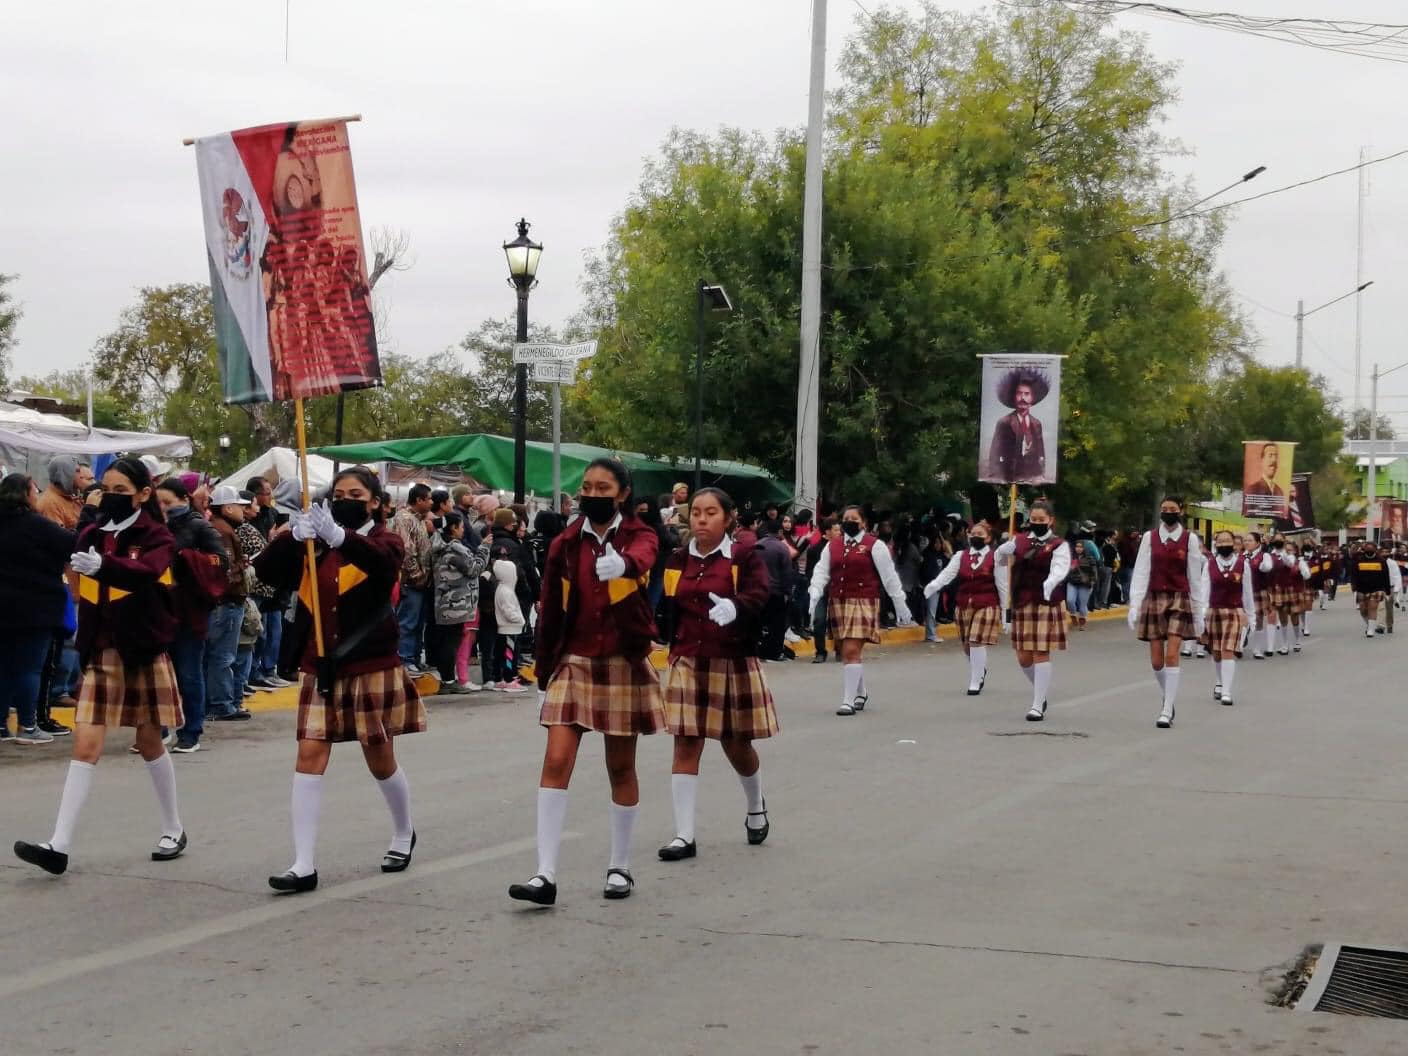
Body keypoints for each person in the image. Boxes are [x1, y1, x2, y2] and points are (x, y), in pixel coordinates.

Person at [253, 467, 426, 893]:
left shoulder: (385, 540)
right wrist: (292, 538)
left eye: (356, 493)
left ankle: (404, 832)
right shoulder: (314, 540)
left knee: (380, 758)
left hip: (369, 663)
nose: (346, 498)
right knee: (309, 756)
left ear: (374, 502)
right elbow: (266, 572)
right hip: (322, 664)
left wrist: (340, 538)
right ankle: (303, 863)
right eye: (340, 492)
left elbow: (383, 567)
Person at [14, 457, 187, 875]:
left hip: (143, 650)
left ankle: (173, 827)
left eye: (121, 492)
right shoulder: (90, 533)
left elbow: (149, 572)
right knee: (85, 744)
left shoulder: (156, 535)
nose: (110, 497)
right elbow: (77, 588)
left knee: (149, 742)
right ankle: (59, 843)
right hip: (101, 651)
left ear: (144, 495)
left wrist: (106, 567)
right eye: (105, 489)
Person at [509, 458, 665, 906]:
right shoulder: (565, 543)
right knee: (556, 760)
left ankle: (620, 865)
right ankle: (544, 874)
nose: (592, 494)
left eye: (603, 487)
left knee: (620, 767)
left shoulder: (640, 535)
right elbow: (552, 610)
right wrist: (543, 671)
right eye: (586, 487)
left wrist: (624, 567)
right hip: (574, 660)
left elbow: (645, 557)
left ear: (621, 494)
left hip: (622, 661)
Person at [657, 487, 778, 860]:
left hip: (732, 660)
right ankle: (684, 835)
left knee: (735, 743)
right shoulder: (677, 559)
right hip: (688, 660)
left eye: (710, 513)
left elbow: (762, 594)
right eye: (695, 512)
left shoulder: (744, 555)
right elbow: (664, 605)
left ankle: (756, 805)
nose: (701, 519)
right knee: (685, 741)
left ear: (727, 518)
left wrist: (736, 607)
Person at [807, 505, 913, 716]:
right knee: (848, 651)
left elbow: (889, 577)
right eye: (845, 518)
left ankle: (847, 701)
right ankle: (861, 692)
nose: (849, 522)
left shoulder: (875, 545)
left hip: (864, 602)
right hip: (839, 603)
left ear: (863, 523)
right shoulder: (833, 546)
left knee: (851, 651)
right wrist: (815, 591)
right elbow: (821, 571)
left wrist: (900, 603)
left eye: (854, 519)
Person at [0, 473, 75, 745]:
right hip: (36, 607)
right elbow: (72, 546)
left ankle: (1, 727)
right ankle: (28, 726)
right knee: (30, 668)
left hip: (4, 608)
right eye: (34, 490)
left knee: (4, 667)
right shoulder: (38, 526)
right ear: (25, 494)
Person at [156, 478, 228, 753]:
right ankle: (159, 729)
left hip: (190, 611)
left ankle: (191, 731)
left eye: (168, 502)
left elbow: (221, 560)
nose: (162, 508)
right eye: (158, 502)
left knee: (188, 673)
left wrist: (189, 558)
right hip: (158, 610)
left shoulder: (198, 526)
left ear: (184, 500)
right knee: (159, 675)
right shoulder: (152, 527)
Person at [1126, 498, 1207, 729]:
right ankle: (1167, 697)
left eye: (1173, 509)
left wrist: (1199, 612)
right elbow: (1141, 571)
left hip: (1179, 599)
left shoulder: (1189, 538)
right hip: (1154, 598)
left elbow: (1194, 576)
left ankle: (1166, 708)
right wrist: (1135, 604)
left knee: (1172, 655)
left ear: (1181, 511)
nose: (1168, 513)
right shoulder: (1149, 538)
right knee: (1156, 661)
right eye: (1164, 510)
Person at [994, 500, 1069, 722]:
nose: (1036, 523)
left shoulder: (1058, 544)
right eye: (1033, 519)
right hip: (1022, 601)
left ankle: (1037, 704)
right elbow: (1000, 563)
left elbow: (1060, 567)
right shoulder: (1019, 540)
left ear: (1050, 521)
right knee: (1023, 657)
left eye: (1041, 520)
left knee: (1040, 652)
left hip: (1046, 602)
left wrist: (1050, 582)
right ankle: (1041, 690)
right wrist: (1001, 551)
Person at [923, 519, 1006, 695]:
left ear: (989, 538)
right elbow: (947, 574)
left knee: (976, 641)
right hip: (963, 604)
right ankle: (980, 669)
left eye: (980, 534)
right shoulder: (960, 555)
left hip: (986, 603)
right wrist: (933, 586)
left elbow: (1003, 585)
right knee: (967, 644)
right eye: (973, 534)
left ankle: (975, 680)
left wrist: (1007, 614)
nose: (976, 537)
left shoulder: (996, 557)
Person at [203, 484, 252, 722]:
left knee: (220, 654)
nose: (244, 511)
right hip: (227, 602)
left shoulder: (220, 529)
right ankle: (221, 703)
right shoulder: (222, 532)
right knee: (223, 655)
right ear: (228, 507)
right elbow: (226, 570)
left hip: (224, 601)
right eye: (240, 506)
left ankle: (220, 701)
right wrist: (242, 567)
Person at [431, 511, 491, 693]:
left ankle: (448, 679)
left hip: (445, 602)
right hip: (455, 603)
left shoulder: (439, 546)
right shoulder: (455, 548)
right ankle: (449, 681)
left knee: (446, 640)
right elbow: (474, 568)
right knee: (451, 641)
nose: (463, 530)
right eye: (461, 526)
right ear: (453, 528)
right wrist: (484, 548)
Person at [1196, 530, 1254, 708]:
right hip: (1214, 611)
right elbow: (1204, 588)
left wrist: (1251, 617)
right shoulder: (1210, 564)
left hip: (1234, 611)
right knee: (1217, 651)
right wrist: (1202, 612)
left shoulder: (1243, 564)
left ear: (1235, 543)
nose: (1223, 544)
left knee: (1228, 650)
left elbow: (1247, 592)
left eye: (1227, 541)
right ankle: (1219, 682)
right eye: (1220, 541)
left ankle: (1227, 691)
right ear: (1215, 544)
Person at [488, 507, 537, 693]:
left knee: (500, 646)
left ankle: (498, 676)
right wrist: (520, 619)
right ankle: (509, 677)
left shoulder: (500, 587)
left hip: (504, 624)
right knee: (510, 648)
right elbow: (510, 609)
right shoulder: (508, 590)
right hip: (510, 625)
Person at [392, 483, 435, 672]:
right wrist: (416, 574)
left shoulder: (419, 520)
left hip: (423, 581)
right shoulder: (405, 518)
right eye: (429, 498)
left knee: (418, 622)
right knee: (408, 621)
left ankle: (415, 657)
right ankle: (405, 659)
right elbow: (406, 549)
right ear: (419, 500)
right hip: (411, 581)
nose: (432, 502)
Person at [986, 368, 1050, 483]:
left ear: (1032, 398)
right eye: (1019, 394)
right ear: (1014, 397)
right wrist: (997, 477)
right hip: (1009, 475)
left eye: (1027, 394)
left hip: (1032, 476)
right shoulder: (1004, 422)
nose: (1023, 398)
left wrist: (1040, 474)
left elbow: (1041, 453)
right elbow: (994, 454)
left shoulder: (1036, 424)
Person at [755, 519, 794, 661]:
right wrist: (788, 592)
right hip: (776, 592)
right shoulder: (782, 548)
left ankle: (759, 651)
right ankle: (775, 652)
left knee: (759, 623)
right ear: (780, 532)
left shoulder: (756, 546)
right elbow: (787, 572)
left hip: (758, 592)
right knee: (777, 625)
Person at [805, 518, 837, 662]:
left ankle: (840, 648)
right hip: (820, 591)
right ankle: (820, 651)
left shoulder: (842, 549)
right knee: (819, 620)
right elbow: (810, 572)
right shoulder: (815, 550)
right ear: (828, 532)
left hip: (838, 590)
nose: (840, 533)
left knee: (839, 621)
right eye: (836, 530)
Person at [36, 455, 92, 530]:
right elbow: (60, 538)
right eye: (77, 471)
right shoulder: (50, 503)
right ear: (64, 474)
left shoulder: (70, 497)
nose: (81, 476)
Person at [1066, 522, 1100, 629]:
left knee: (1082, 604)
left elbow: (1094, 571)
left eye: (1081, 547)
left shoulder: (1090, 558)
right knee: (1070, 600)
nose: (1078, 548)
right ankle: (1072, 614)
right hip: (1072, 582)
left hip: (1085, 583)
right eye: (1077, 546)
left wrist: (1092, 581)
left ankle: (1082, 621)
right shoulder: (1071, 556)